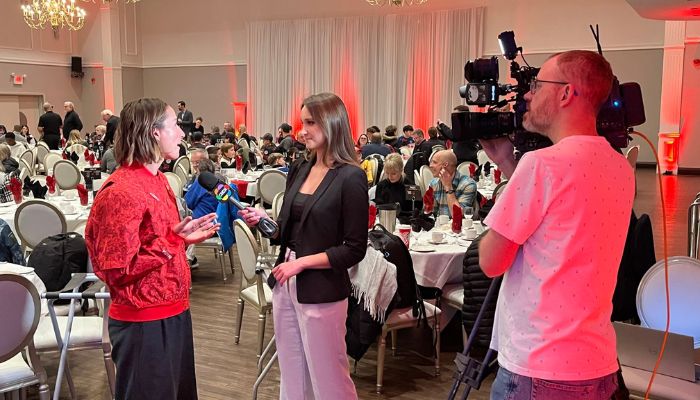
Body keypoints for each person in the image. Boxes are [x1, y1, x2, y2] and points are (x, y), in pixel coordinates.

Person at [478, 50, 634, 400]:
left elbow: (491, 261)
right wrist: (508, 165)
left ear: (566, 93)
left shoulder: (541, 165)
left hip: (539, 369)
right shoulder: (620, 168)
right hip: (598, 365)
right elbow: (563, 227)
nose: (528, 94)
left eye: (537, 85)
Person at [85, 98, 220, 400]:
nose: (182, 133)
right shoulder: (122, 191)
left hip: (173, 311)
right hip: (143, 322)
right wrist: (172, 242)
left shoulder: (157, 179)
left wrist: (182, 238)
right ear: (154, 132)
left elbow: (158, 242)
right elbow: (116, 270)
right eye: (175, 126)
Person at [239, 92, 367, 399]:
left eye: (310, 123)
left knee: (329, 378)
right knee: (292, 373)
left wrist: (302, 263)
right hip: (285, 282)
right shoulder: (300, 168)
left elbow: (354, 248)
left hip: (321, 289)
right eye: (302, 122)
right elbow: (287, 231)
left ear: (331, 123)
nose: (302, 130)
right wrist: (265, 221)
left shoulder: (351, 177)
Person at [428, 149, 476, 218]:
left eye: (434, 162)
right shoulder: (434, 183)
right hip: (439, 224)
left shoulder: (468, 184)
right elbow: (430, 214)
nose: (430, 165)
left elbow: (458, 216)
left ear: (445, 165)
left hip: (460, 224)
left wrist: (448, 187)